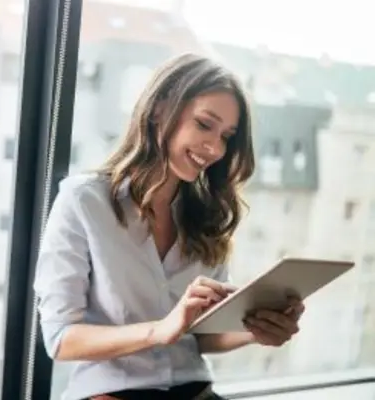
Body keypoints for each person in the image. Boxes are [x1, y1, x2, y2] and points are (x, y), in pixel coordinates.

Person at [33, 54, 305, 400]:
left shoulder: (206, 217)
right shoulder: (84, 201)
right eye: (205, 124)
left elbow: (201, 335)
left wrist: (255, 331)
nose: (216, 148)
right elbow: (60, 339)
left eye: (226, 136)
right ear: (160, 109)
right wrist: (159, 331)